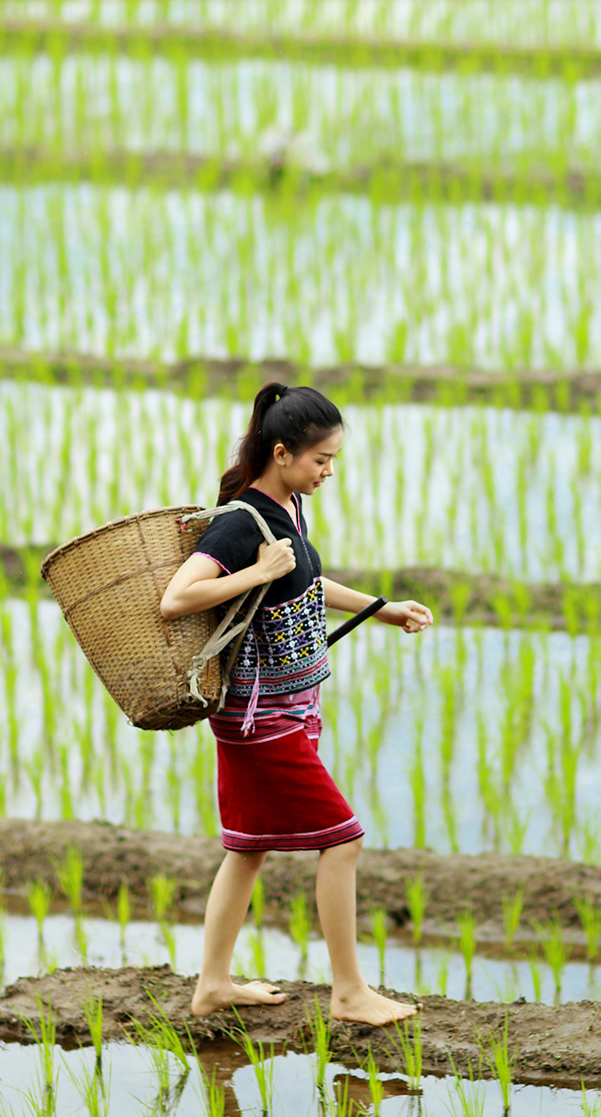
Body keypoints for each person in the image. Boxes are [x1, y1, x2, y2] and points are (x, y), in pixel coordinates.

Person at [159, 381, 431, 1026]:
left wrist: (381, 609)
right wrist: (254, 571)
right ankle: (349, 993)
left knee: (247, 847)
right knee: (344, 841)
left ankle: (213, 986)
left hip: (288, 707)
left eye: (333, 460)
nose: (329, 472)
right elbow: (176, 598)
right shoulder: (238, 524)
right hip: (258, 720)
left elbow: (302, 576)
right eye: (321, 460)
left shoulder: (289, 512)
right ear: (282, 453)